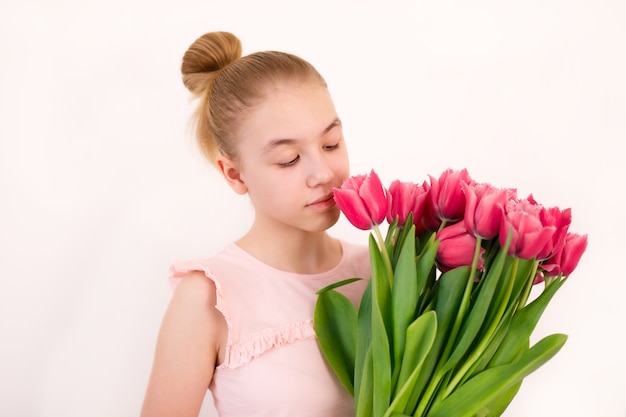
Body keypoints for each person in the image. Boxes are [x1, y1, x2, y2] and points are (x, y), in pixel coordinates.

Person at [140, 31, 371, 417]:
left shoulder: (383, 271)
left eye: (331, 144)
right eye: (289, 159)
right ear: (235, 175)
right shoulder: (209, 298)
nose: (323, 173)